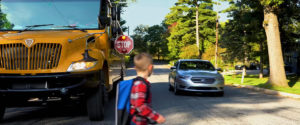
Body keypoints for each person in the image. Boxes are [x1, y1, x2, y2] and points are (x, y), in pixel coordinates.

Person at [130, 53, 166, 125]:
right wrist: (156, 117)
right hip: (138, 122)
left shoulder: (138, 82)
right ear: (150, 67)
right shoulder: (140, 84)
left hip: (140, 120)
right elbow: (139, 105)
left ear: (135, 68)